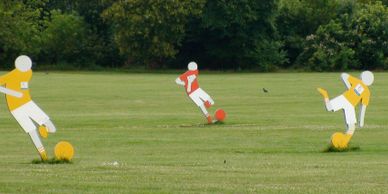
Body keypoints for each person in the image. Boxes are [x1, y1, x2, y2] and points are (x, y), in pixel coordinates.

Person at [0, 55, 56, 161]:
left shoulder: (28, 73)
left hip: (28, 104)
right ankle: (44, 156)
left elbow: (22, 87)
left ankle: (43, 129)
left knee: (52, 128)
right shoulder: (12, 75)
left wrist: (16, 93)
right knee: (31, 131)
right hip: (16, 108)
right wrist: (12, 93)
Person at [317, 71, 374, 146]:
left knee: (329, 107)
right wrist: (361, 122)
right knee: (351, 127)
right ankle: (343, 142)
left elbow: (344, 75)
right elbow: (363, 107)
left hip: (344, 98)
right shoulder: (367, 92)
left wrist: (349, 88)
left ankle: (325, 95)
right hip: (350, 105)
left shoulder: (357, 81)